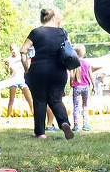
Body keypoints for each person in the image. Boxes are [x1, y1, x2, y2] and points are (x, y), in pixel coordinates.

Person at [20, 8, 75, 139]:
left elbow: (23, 50)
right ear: (53, 18)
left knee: (39, 101)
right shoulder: (63, 32)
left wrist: (26, 66)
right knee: (56, 100)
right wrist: (71, 71)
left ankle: (40, 133)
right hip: (58, 71)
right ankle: (64, 123)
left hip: (39, 70)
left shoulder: (36, 32)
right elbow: (70, 52)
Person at [3, 43, 34, 120]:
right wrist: (8, 65)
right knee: (11, 100)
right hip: (13, 80)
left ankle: (35, 115)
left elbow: (26, 65)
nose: (13, 51)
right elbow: (12, 70)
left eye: (14, 49)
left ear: (17, 48)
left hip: (22, 80)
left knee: (29, 98)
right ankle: (9, 118)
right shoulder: (9, 59)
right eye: (11, 49)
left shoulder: (22, 57)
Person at [69, 44, 95, 131]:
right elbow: (91, 76)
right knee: (85, 105)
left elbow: (72, 77)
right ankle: (85, 124)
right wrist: (94, 86)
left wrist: (71, 82)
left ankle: (76, 126)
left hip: (76, 87)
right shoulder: (87, 64)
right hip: (85, 87)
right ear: (84, 53)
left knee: (76, 106)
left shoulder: (73, 64)